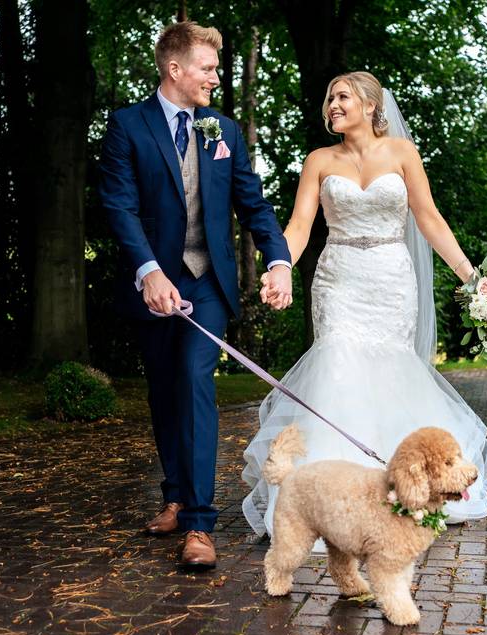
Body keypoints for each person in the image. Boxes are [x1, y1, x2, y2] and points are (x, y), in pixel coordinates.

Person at [243, 72, 487, 548]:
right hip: (338, 278)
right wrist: (280, 268)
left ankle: (409, 491)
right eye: (329, 97)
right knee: (337, 364)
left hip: (390, 279)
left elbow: (429, 218)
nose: (332, 105)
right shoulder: (319, 160)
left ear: (370, 105)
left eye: (342, 96)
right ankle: (330, 503)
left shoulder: (402, 154)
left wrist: (474, 280)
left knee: (389, 371)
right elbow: (298, 225)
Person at [99, 21, 292, 571]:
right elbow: (119, 206)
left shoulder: (222, 129)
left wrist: (277, 260)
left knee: (192, 379)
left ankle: (201, 524)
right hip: (153, 282)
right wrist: (148, 272)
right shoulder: (127, 126)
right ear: (175, 69)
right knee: (163, 391)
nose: (214, 75)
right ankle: (175, 496)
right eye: (206, 67)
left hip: (207, 281)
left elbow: (252, 204)